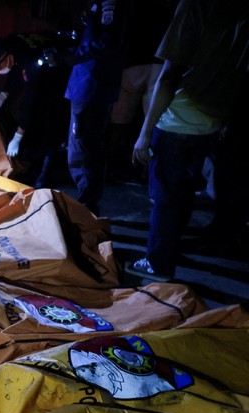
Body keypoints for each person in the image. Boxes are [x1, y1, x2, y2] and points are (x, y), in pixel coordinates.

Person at [129, 0, 249, 281]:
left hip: (178, 120)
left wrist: (145, 132)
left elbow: (170, 75)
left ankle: (158, 262)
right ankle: (169, 249)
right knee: (183, 194)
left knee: (166, 196)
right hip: (213, 121)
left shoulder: (196, 6)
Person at [0, 32, 73, 187]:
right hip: (43, 74)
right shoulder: (10, 46)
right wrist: (3, 95)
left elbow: (32, 101)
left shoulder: (29, 61)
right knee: (22, 112)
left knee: (48, 121)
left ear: (7, 58)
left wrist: (18, 137)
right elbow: (14, 72)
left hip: (59, 79)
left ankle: (44, 174)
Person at [64, 0, 129, 215]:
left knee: (83, 145)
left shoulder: (110, 4)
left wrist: (73, 54)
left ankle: (87, 206)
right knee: (84, 144)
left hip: (91, 84)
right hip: (87, 82)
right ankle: (87, 202)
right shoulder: (99, 4)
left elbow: (108, 43)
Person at [106, 0, 176, 184]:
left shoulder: (131, 7)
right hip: (157, 63)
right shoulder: (171, 7)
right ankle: (148, 173)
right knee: (150, 124)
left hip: (131, 64)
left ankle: (106, 168)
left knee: (119, 123)